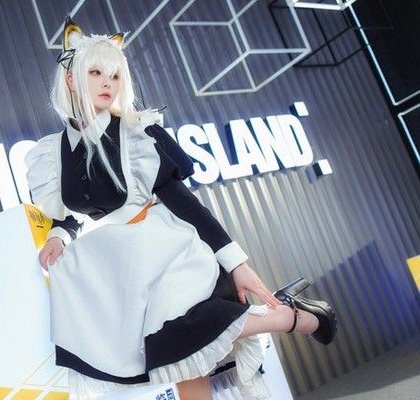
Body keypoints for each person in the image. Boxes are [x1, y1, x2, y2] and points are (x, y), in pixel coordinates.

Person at [25, 16, 337, 400]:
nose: (108, 83)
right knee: (182, 363)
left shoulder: (137, 134)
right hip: (120, 262)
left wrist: (236, 263)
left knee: (180, 338)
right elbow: (69, 211)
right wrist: (60, 234)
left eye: (115, 75)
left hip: (163, 248)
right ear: (72, 80)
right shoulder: (52, 153)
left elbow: (185, 202)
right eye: (96, 73)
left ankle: (291, 317)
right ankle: (294, 314)